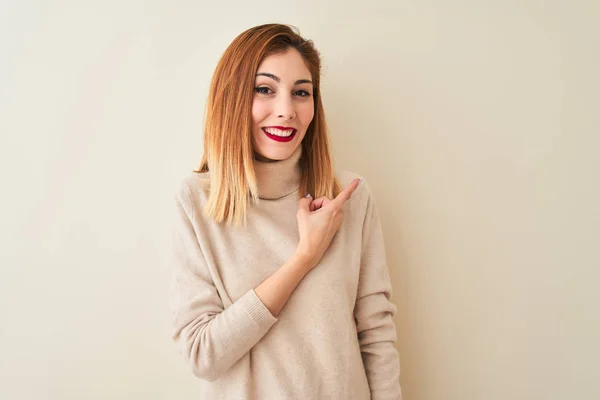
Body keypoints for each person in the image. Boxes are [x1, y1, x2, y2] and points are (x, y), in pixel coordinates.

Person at [170, 23, 402, 399]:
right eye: (265, 89)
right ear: (231, 98)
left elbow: (376, 335)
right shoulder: (198, 202)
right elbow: (203, 355)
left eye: (301, 93)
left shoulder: (349, 197)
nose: (286, 110)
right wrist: (304, 257)